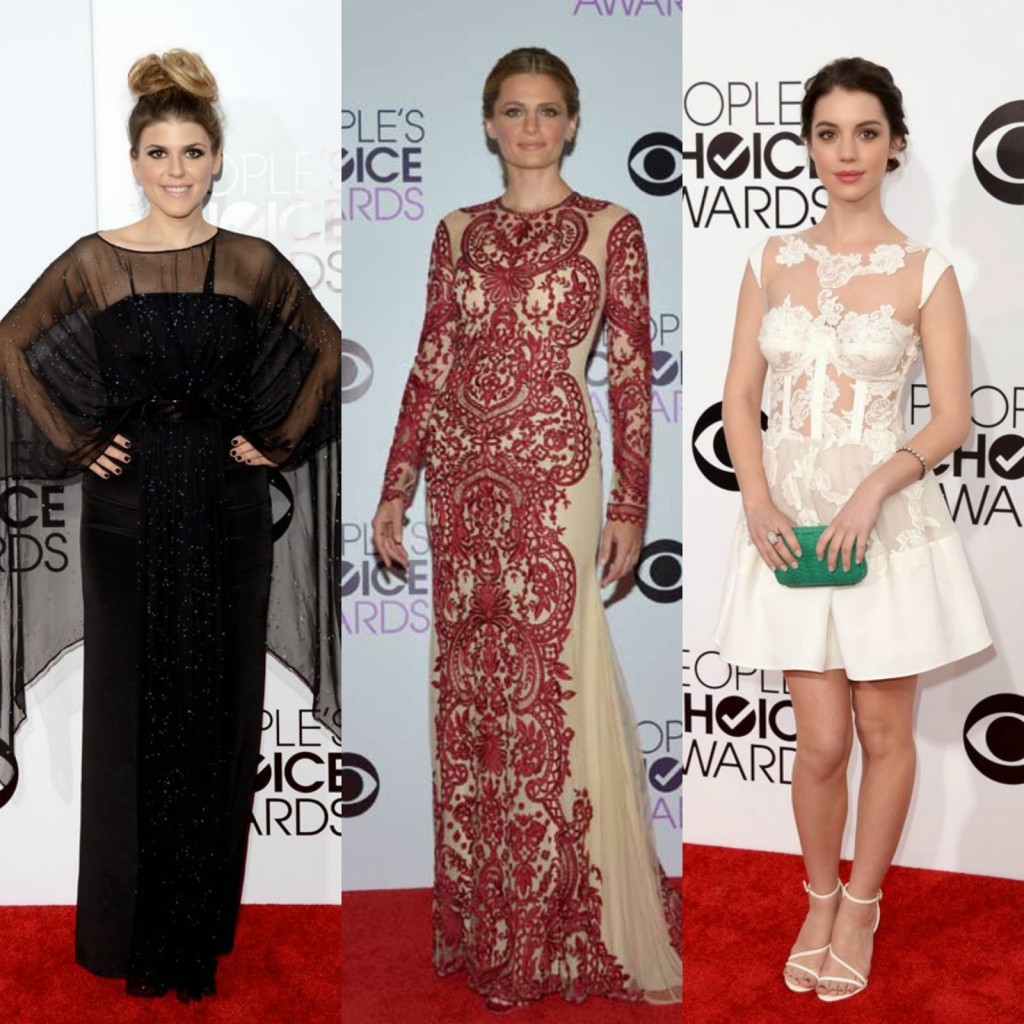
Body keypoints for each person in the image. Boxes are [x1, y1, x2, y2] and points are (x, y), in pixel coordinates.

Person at [0, 49, 340, 1000]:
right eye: (159, 152)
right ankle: (130, 937)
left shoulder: (252, 263)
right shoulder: (95, 261)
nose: (177, 169)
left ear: (218, 158)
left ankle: (193, 937)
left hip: (228, 514)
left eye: (193, 151)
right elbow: (9, 345)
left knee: (220, 716)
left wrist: (275, 441)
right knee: (129, 720)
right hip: (127, 515)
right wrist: (77, 440)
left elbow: (323, 351)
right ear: (135, 161)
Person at [372, 46, 681, 1011]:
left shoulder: (615, 228)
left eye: (548, 110)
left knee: (551, 686)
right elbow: (431, 361)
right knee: (472, 693)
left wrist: (630, 504)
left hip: (556, 474)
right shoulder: (456, 231)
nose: (532, 127)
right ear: (489, 123)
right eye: (514, 110)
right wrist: (395, 487)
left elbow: (630, 374)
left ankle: (555, 921)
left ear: (574, 122)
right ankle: (486, 917)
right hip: (461, 480)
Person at [716, 57, 991, 1002]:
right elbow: (740, 395)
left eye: (867, 132)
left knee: (882, 728)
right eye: (829, 133)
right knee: (822, 741)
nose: (848, 151)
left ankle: (862, 909)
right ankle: (819, 899)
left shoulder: (927, 271)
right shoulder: (770, 259)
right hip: (789, 526)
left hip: (883, 526)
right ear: (807, 145)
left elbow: (950, 418)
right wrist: (757, 498)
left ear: (896, 145)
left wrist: (875, 489)